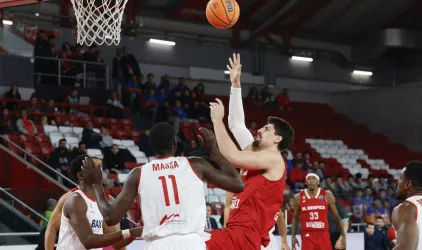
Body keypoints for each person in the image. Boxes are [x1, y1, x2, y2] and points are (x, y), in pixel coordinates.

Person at [82, 124, 245, 250]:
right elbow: (238, 185)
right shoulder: (195, 164)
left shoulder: (138, 174)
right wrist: (214, 151)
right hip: (191, 243)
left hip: (158, 244)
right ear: (174, 142)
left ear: (153, 146)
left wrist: (97, 184)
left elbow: (110, 217)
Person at [205, 53, 294, 250]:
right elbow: (236, 125)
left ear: (277, 139)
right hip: (240, 234)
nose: (260, 130)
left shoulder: (273, 159)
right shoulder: (254, 151)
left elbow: (232, 156)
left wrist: (217, 121)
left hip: (252, 236)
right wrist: (235, 84)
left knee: (193, 243)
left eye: (267, 129)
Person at [57, 155, 141, 249]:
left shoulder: (100, 203)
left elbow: (115, 244)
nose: (100, 170)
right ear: (80, 175)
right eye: (95, 167)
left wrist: (139, 229)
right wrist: (131, 232)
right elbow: (88, 241)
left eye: (100, 166)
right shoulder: (76, 200)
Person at [291, 173, 346, 250]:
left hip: (323, 233)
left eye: (314, 179)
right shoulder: (298, 197)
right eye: (309, 179)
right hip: (307, 234)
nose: (311, 181)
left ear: (318, 182)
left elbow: (336, 217)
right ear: (306, 182)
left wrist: (343, 235)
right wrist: (293, 236)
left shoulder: (327, 195)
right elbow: (295, 218)